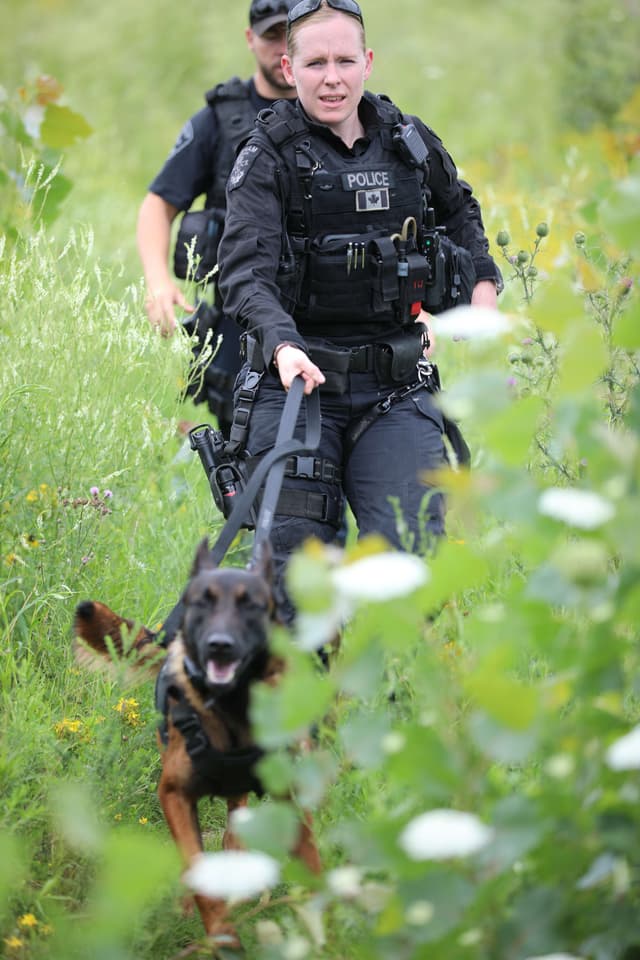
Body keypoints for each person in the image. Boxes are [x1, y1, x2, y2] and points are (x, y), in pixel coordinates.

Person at [216, 0, 502, 618]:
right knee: (291, 583)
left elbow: (462, 214)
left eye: (345, 60)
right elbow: (245, 274)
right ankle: (296, 707)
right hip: (296, 385)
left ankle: (402, 707)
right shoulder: (266, 156)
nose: (332, 77)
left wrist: (480, 290)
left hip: (394, 387)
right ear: (288, 70)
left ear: (367, 62)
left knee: (413, 572)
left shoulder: (410, 143)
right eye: (315, 63)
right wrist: (282, 343)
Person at [136, 0, 300, 436]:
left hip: (322, 319)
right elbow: (158, 204)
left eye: (292, 33)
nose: (283, 47)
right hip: (238, 320)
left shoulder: (334, 111)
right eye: (271, 36)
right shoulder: (219, 119)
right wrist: (158, 282)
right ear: (250, 40)